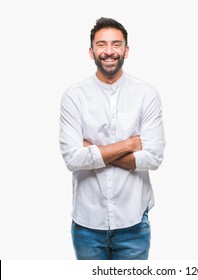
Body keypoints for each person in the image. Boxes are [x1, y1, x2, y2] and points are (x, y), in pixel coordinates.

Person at [59, 17, 165, 260]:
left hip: (133, 224)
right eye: (101, 44)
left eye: (116, 44)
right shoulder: (74, 97)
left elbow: (153, 158)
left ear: (126, 50)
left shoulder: (146, 94)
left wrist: (94, 151)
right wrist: (128, 145)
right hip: (87, 226)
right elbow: (72, 159)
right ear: (91, 51)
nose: (109, 52)